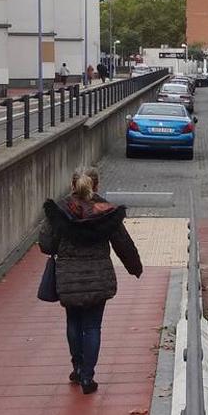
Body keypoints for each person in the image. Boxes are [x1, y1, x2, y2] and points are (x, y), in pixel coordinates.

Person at [40, 168, 143, 394]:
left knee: (73, 323)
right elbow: (122, 244)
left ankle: (77, 367)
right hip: (98, 278)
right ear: (96, 186)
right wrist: (135, 268)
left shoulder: (60, 211)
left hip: (68, 278)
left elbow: (46, 245)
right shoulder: (106, 212)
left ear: (72, 184)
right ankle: (88, 377)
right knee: (93, 326)